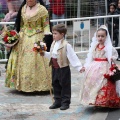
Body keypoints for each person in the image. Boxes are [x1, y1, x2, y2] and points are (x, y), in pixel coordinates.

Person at [5, 0, 52, 92]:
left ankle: (40, 84)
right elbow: (21, 25)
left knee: (40, 58)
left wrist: (47, 37)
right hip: (23, 38)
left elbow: (46, 26)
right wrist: (15, 36)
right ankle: (21, 84)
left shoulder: (42, 10)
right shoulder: (23, 8)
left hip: (38, 37)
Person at [40, 24, 82, 110]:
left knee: (65, 85)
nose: (53, 35)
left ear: (62, 34)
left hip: (63, 68)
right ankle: (57, 101)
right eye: (53, 33)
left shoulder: (66, 45)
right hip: (54, 67)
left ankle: (65, 102)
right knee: (55, 84)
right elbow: (52, 55)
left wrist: (79, 67)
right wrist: (44, 54)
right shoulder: (53, 43)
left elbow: (72, 57)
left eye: (55, 33)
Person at [79, 25, 120, 108]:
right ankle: (93, 100)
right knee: (91, 81)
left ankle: (104, 101)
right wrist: (86, 67)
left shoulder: (109, 48)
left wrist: (112, 58)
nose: (100, 38)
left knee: (103, 82)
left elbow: (115, 55)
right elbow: (91, 57)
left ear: (106, 37)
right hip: (94, 66)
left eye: (102, 36)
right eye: (98, 36)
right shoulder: (94, 46)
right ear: (96, 36)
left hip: (105, 66)